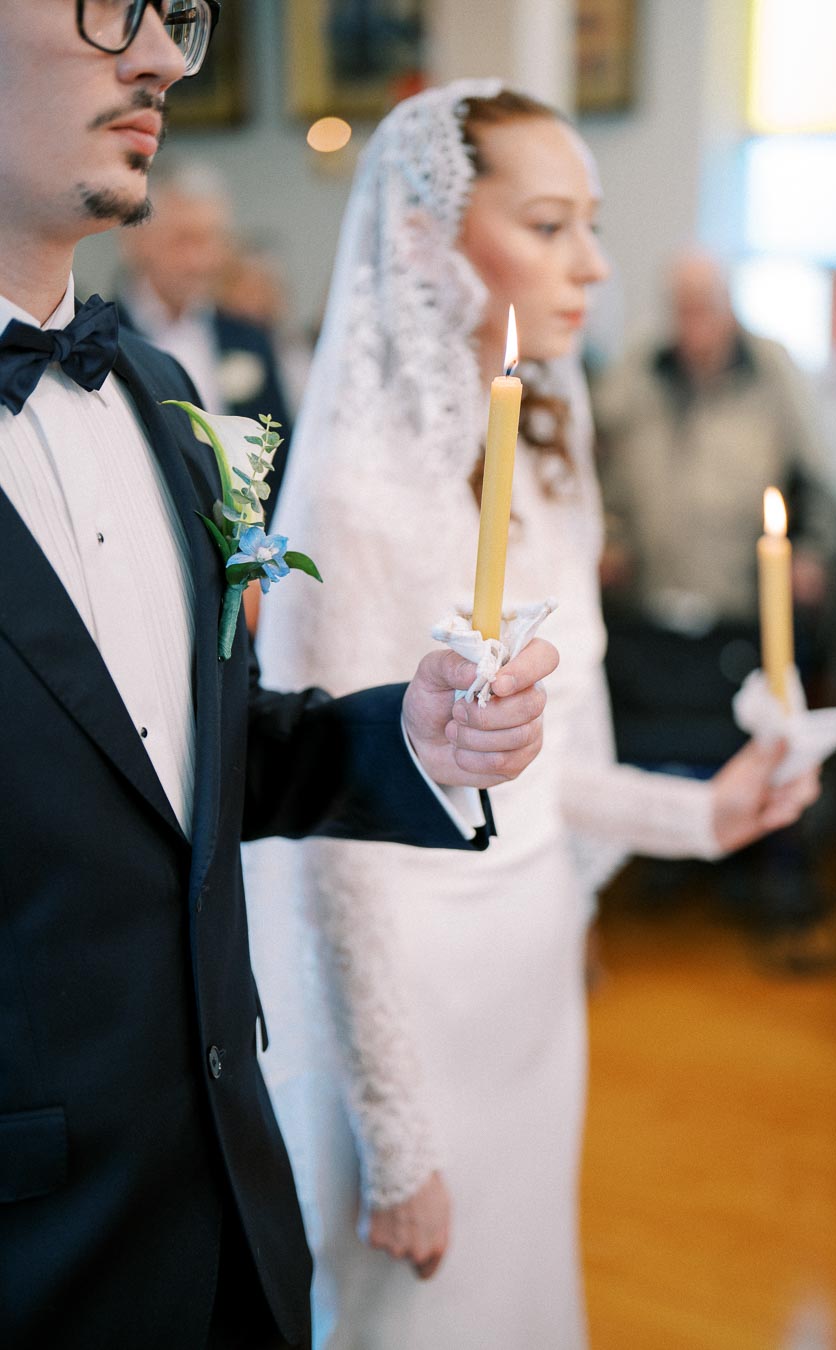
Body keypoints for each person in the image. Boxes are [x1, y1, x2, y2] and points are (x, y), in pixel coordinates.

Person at [0, 12, 558, 1350]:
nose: (164, 61)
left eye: (175, 15)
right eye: (104, 6)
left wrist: (409, 739)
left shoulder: (157, 393)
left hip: (236, 1205)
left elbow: (194, 751)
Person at [244, 82, 820, 1349]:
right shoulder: (348, 497)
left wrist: (704, 810)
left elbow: (545, 768)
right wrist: (397, 1140)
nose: (594, 266)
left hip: (529, 972)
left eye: (592, 225)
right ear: (425, 241)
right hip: (404, 1004)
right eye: (551, 226)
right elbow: (330, 847)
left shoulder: (551, 467)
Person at [593, 250, 836, 963]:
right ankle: (670, 850)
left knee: (745, 729)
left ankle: (759, 863)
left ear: (729, 304)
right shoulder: (637, 378)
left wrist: (813, 553)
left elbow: (816, 481)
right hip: (653, 602)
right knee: (660, 729)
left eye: (706, 303)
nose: (693, 320)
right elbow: (599, 479)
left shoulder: (771, 378)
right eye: (682, 305)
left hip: (741, 601)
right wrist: (610, 542)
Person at [115, 158, 296, 517]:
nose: (202, 261)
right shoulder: (96, 341)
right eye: (185, 240)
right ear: (136, 240)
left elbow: (282, 457)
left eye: (213, 239)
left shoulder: (248, 339)